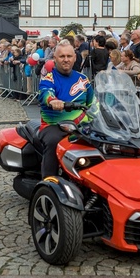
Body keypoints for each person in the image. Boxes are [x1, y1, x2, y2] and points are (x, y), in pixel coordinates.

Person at [38, 40, 94, 178]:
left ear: (75, 58)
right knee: (53, 142)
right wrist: (53, 101)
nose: (66, 60)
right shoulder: (48, 78)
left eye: (69, 56)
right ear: (55, 58)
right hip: (53, 125)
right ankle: (48, 183)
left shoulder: (83, 79)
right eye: (62, 56)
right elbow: (46, 93)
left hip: (81, 126)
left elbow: (93, 103)